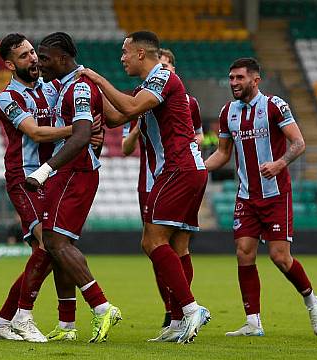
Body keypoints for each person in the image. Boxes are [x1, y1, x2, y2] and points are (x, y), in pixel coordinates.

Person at [79, 30, 210, 344]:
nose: (121, 58)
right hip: (179, 170)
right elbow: (115, 116)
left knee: (152, 242)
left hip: (180, 168)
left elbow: (128, 108)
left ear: (140, 53)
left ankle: (191, 309)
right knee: (173, 246)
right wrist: (92, 97)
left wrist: (97, 79)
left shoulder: (163, 78)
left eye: (125, 52)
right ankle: (178, 320)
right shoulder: (146, 88)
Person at [204, 57, 317, 337]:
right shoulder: (227, 112)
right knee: (243, 254)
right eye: (231, 78)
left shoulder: (274, 106)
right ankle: (253, 322)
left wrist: (279, 164)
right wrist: (198, 168)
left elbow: (299, 143)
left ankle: (311, 299)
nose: (234, 83)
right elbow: (223, 153)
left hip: (275, 195)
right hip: (246, 196)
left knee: (279, 257)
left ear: (255, 80)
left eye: (239, 78)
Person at [25, 32, 121, 344]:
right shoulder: (61, 85)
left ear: (65, 59)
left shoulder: (79, 87)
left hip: (75, 173)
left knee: (55, 242)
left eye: (47, 57)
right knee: (56, 245)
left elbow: (81, 135)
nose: (41, 62)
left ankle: (102, 306)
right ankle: (67, 326)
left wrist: (44, 170)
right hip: (67, 174)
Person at [0, 33, 78, 343]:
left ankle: (4, 320)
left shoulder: (52, 87)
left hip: (50, 177)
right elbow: (36, 132)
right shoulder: (8, 97)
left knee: (49, 254)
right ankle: (20, 319)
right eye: (25, 56)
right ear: (10, 64)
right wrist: (79, 131)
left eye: (33, 52)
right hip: (24, 178)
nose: (34, 59)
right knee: (47, 245)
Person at [121, 47, 205, 329]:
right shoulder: (140, 94)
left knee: (158, 242)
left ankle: (185, 311)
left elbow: (196, 137)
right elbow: (123, 140)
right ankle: (176, 319)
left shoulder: (183, 99)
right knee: (167, 248)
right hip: (155, 177)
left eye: (168, 67)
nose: (165, 72)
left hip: (175, 171)